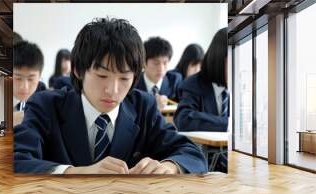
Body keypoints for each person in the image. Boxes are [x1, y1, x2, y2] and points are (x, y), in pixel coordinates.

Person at [13, 18, 207, 175]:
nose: (112, 90)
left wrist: (169, 166)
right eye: (102, 76)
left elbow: (192, 154)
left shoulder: (143, 106)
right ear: (78, 70)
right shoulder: (46, 105)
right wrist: (76, 172)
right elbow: (17, 159)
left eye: (124, 78)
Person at [173, 28, 228, 173]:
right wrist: (229, 124)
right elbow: (184, 119)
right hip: (207, 164)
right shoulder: (193, 84)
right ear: (219, 60)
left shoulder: (240, 84)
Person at [134, 37, 182, 109]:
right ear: (143, 63)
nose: (161, 69)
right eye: (156, 63)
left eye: (165, 63)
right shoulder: (133, 82)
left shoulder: (175, 81)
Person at [13, 40, 44, 125]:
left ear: (39, 76)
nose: (24, 86)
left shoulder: (44, 105)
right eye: (18, 78)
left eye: (31, 79)